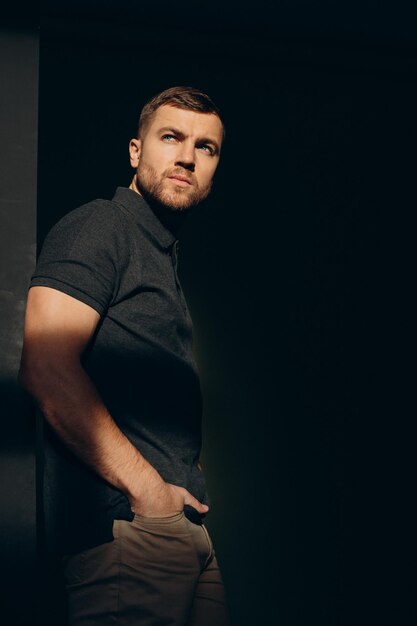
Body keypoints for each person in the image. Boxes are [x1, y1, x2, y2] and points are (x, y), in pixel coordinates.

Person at [19, 86, 230, 626]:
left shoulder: (158, 252)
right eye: (171, 137)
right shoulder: (101, 228)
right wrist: (149, 493)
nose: (187, 155)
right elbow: (46, 368)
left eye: (206, 148)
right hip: (131, 532)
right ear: (136, 151)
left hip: (179, 531)